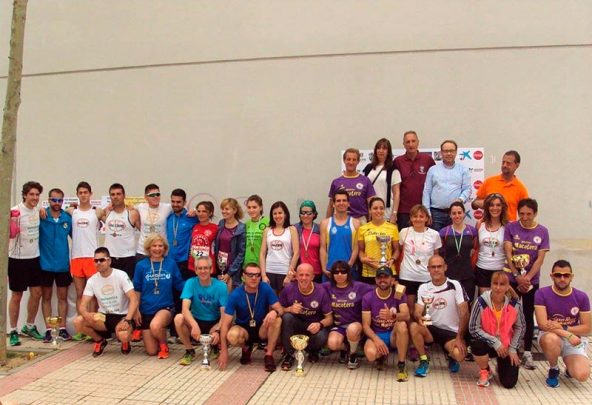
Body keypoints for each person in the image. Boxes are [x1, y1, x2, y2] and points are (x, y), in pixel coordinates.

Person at [503, 198, 550, 370]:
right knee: (508, 313)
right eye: (521, 213)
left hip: (531, 281)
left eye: (528, 214)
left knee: (528, 315)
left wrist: (527, 278)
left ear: (535, 213)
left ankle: (528, 352)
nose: (524, 217)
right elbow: (508, 253)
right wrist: (517, 275)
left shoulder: (542, 231)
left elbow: (539, 259)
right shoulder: (511, 227)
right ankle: (507, 348)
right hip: (512, 279)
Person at [410, 255, 469, 377]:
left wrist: (459, 338)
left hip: (451, 331)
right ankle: (424, 361)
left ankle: (451, 356)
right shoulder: (423, 287)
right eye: (433, 267)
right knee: (414, 327)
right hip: (431, 328)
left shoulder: (455, 285)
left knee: (459, 355)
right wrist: (419, 316)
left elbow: (465, 313)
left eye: (439, 266)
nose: (436, 270)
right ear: (428, 269)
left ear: (445, 267)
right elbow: (417, 311)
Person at [218, 263, 284, 372]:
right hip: (244, 330)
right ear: (243, 276)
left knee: (277, 320)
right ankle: (246, 347)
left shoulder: (265, 288)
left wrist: (274, 312)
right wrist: (224, 351)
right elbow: (225, 324)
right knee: (232, 335)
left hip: (262, 329)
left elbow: (280, 309)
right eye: (250, 275)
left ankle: (269, 355)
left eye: (257, 275)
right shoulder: (235, 294)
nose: (254, 278)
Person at [535, 260, 591, 388]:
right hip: (551, 335)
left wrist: (565, 328)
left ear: (571, 277)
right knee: (551, 339)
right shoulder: (542, 293)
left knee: (582, 375)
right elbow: (542, 324)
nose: (562, 278)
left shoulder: (581, 296)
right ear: (552, 276)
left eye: (566, 275)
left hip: (573, 339)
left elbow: (587, 328)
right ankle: (554, 369)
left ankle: (570, 368)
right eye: (558, 275)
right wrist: (566, 334)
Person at [73, 247, 138, 357]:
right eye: (96, 260)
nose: (98, 263)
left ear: (109, 261)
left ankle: (125, 342)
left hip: (122, 316)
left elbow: (133, 298)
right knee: (78, 322)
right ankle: (100, 340)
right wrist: (85, 313)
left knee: (123, 335)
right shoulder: (92, 280)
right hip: (103, 317)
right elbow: (83, 304)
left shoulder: (121, 275)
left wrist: (128, 319)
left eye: (102, 260)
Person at [469, 271, 525, 388]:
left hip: (507, 347)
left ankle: (501, 365)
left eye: (502, 284)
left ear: (508, 286)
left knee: (509, 383)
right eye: (495, 283)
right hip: (488, 344)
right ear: (491, 285)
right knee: (476, 344)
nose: (498, 287)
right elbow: (473, 328)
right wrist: (495, 342)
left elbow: (521, 327)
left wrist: (513, 348)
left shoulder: (514, 304)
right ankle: (485, 370)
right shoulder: (481, 302)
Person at [133, 234, 185, 359]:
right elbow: (137, 290)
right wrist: (136, 309)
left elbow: (179, 284)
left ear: (165, 248)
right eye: (154, 246)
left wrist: (196, 285)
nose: (157, 249)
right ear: (148, 248)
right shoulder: (141, 265)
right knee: (151, 351)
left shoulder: (170, 263)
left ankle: (163, 344)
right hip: (146, 310)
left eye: (160, 246)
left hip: (165, 308)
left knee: (155, 325)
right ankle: (159, 334)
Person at [68, 181, 105, 341]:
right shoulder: (72, 211)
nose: (83, 195)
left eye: (86, 192)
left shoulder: (97, 212)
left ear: (90, 194)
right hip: (76, 257)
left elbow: (113, 217)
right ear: (77, 194)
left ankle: (93, 326)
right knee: (80, 293)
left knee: (93, 295)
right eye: (80, 192)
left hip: (91, 257)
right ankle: (81, 327)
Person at [8, 181, 44, 345]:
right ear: (24, 195)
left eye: (37, 194)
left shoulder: (38, 210)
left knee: (37, 293)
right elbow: (9, 234)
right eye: (31, 194)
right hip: (17, 259)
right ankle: (13, 331)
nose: (35, 197)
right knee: (17, 295)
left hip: (34, 258)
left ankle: (29, 326)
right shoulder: (15, 211)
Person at [174, 256, 227, 366]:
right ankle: (189, 351)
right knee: (178, 318)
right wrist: (194, 325)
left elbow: (224, 313)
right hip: (197, 320)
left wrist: (218, 329)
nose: (203, 271)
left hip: (214, 321)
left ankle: (215, 347)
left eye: (206, 268)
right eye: (200, 268)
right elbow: (185, 309)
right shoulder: (190, 283)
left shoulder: (221, 286)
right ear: (196, 270)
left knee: (227, 323)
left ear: (211, 269)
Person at [279, 263, 333, 370]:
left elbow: (330, 318)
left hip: (314, 326)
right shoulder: (289, 289)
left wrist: (320, 324)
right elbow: (277, 309)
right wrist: (289, 309)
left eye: (307, 275)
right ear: (296, 276)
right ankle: (289, 354)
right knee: (287, 317)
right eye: (301, 275)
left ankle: (312, 351)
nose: (303, 278)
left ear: (313, 277)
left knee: (321, 336)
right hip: (297, 325)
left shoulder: (321, 291)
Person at [362, 266, 410, 381]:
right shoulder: (368, 297)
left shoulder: (398, 294)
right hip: (378, 334)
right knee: (370, 354)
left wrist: (392, 315)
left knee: (402, 325)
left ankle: (401, 365)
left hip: (394, 334)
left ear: (392, 280)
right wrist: (376, 340)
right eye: (379, 277)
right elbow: (366, 326)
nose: (382, 280)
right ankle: (382, 356)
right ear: (375, 280)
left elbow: (407, 316)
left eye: (386, 277)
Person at [323, 261, 372, 369]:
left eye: (343, 272)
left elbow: (378, 288)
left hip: (356, 325)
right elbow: (311, 287)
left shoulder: (359, 287)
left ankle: (353, 355)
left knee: (352, 329)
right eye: (336, 272)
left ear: (348, 273)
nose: (339, 274)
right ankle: (346, 348)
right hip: (339, 325)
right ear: (332, 274)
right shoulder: (327, 287)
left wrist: (396, 285)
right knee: (332, 344)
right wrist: (291, 279)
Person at [39, 188, 73, 342]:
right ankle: (48, 329)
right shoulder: (42, 216)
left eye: (60, 200)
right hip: (45, 264)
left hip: (62, 265)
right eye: (54, 200)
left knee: (62, 297)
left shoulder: (67, 218)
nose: (57, 203)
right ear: (49, 200)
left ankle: (63, 328)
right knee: (46, 297)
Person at [398, 204, 442, 311]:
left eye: (421, 216)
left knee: (425, 310)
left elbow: (436, 257)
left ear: (426, 218)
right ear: (410, 218)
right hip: (407, 276)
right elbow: (398, 251)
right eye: (415, 216)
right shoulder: (404, 232)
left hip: (426, 277)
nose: (418, 219)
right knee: (409, 309)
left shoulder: (434, 234)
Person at [422, 140, 471, 231]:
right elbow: (427, 191)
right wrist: (427, 212)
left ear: (456, 152)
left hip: (455, 213)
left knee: (454, 239)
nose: (449, 153)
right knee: (436, 239)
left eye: (451, 151)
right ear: (441, 153)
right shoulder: (433, 170)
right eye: (445, 151)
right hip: (436, 214)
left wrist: (460, 199)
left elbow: (467, 189)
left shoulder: (463, 170)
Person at [393, 131, 435, 230]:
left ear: (418, 142)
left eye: (413, 141)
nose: (411, 144)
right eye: (407, 142)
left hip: (423, 210)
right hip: (403, 211)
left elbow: (434, 183)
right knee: (405, 237)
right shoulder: (398, 161)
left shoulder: (427, 159)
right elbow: (394, 186)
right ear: (403, 144)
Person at [472, 150, 528, 221]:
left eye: (508, 163)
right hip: (488, 225)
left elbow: (526, 213)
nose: (504, 165)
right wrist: (487, 203)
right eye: (503, 162)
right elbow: (474, 204)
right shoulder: (489, 181)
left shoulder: (521, 189)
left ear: (517, 165)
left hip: (508, 226)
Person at [439, 201, 478, 303]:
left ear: (464, 213)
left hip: (467, 275)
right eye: (454, 213)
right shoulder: (444, 232)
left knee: (467, 304)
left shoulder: (472, 231)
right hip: (449, 275)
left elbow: (475, 250)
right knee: (450, 304)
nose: (457, 216)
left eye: (459, 213)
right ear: (450, 215)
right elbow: (440, 253)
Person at [319, 190, 360, 281]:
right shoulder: (325, 223)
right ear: (333, 204)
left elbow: (356, 248)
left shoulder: (356, 223)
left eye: (344, 200)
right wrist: (324, 268)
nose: (341, 203)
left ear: (348, 204)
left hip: (349, 270)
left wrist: (349, 265)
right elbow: (323, 248)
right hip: (330, 271)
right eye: (338, 201)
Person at [357, 197, 399, 284]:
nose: (378, 211)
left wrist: (392, 260)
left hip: (388, 271)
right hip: (369, 272)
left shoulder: (393, 228)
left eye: (381, 208)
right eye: (375, 208)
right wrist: (363, 259)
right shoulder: (362, 228)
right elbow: (361, 250)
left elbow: (396, 250)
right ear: (370, 210)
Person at [326, 148, 376, 220]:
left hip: (361, 220)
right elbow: (331, 205)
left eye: (354, 160)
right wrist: (327, 223)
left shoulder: (365, 181)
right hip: (341, 220)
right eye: (348, 159)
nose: (351, 162)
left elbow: (371, 204)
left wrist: (372, 222)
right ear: (344, 160)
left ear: (358, 161)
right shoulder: (336, 182)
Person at [260, 201, 299, 293]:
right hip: (269, 271)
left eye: (280, 213)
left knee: (284, 300)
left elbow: (296, 253)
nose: (277, 216)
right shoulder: (267, 230)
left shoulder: (292, 229)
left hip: (285, 272)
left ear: (285, 214)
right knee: (270, 300)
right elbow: (262, 253)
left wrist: (289, 275)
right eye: (275, 213)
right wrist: (263, 275)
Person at [103, 183, 139, 279]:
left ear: (124, 195)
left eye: (118, 194)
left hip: (128, 257)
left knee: (127, 286)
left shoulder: (132, 213)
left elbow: (144, 231)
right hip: (110, 257)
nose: (115, 197)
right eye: (113, 194)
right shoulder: (106, 212)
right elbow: (94, 214)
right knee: (111, 286)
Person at [475, 193, 509, 294]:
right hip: (482, 269)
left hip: (500, 269)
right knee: (485, 301)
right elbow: (476, 246)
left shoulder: (508, 226)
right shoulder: (480, 224)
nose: (495, 208)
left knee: (499, 301)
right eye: (491, 205)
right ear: (487, 207)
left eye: (498, 205)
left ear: (503, 207)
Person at [362, 138, 401, 223]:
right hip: (371, 212)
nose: (381, 151)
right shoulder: (369, 168)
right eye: (378, 148)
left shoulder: (393, 169)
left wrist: (394, 213)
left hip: (386, 213)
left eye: (384, 148)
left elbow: (396, 193)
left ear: (388, 152)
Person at [214, 198, 246, 290]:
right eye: (222, 209)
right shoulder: (221, 223)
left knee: (229, 295)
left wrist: (229, 273)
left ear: (234, 210)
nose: (224, 211)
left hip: (232, 271)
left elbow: (241, 254)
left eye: (227, 209)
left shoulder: (241, 228)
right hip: (219, 268)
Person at [166, 188, 198, 279]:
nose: (175, 204)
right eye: (173, 201)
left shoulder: (192, 217)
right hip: (169, 260)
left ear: (185, 202)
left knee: (184, 286)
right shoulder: (168, 217)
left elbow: (206, 215)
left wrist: (196, 211)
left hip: (185, 261)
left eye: (178, 202)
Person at [136, 183, 172, 260]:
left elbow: (182, 209)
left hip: (160, 251)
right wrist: (110, 207)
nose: (155, 197)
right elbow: (126, 209)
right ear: (146, 197)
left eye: (158, 194)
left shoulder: (168, 207)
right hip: (143, 251)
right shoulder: (140, 207)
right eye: (152, 195)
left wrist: (194, 211)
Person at [294, 200, 322, 282]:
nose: (305, 215)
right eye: (303, 213)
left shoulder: (319, 229)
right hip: (300, 272)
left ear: (314, 214)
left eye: (309, 213)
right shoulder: (294, 229)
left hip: (316, 271)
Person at [188, 201, 218, 276]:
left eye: (204, 211)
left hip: (207, 266)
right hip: (193, 265)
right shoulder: (194, 226)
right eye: (199, 211)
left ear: (210, 213)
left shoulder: (216, 228)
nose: (201, 214)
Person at [243, 194, 269, 267]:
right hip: (247, 262)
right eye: (249, 207)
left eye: (254, 207)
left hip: (262, 263)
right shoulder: (246, 224)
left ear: (261, 207)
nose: (251, 210)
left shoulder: (268, 222)